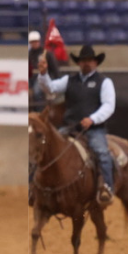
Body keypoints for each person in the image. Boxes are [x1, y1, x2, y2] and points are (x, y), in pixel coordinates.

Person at [36, 45, 117, 205]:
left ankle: (106, 187)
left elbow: (109, 105)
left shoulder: (104, 82)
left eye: (90, 60)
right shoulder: (69, 80)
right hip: (70, 127)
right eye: (83, 60)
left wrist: (93, 119)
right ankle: (37, 187)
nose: (86, 63)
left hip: (93, 129)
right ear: (79, 63)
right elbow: (50, 88)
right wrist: (44, 74)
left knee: (102, 153)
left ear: (95, 62)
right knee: (47, 148)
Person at [29, 30, 59, 111]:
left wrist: (57, 79)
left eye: (36, 41)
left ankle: (40, 111)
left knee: (37, 92)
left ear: (39, 41)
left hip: (44, 77)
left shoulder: (46, 53)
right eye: (32, 42)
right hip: (32, 78)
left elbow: (54, 67)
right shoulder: (29, 54)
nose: (34, 43)